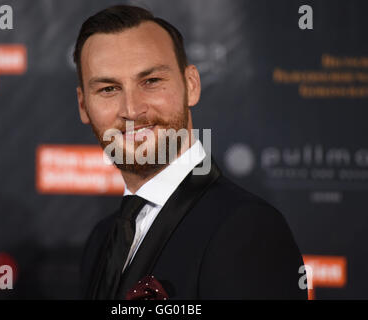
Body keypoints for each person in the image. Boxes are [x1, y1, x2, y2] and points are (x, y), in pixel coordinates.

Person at [74, 4, 307, 300]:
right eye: (108, 89)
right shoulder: (102, 239)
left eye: (151, 81)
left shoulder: (247, 229)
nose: (131, 109)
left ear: (192, 85)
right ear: (83, 105)